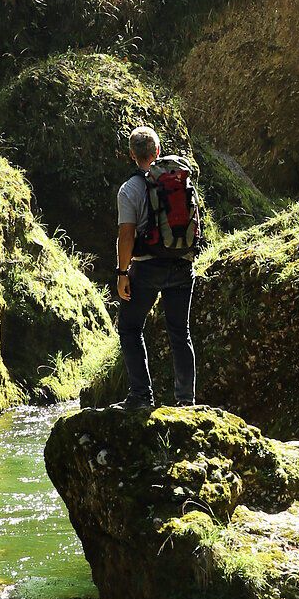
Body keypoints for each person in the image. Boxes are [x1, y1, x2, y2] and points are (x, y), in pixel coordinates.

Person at [114, 125, 199, 410]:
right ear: (158, 151)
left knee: (129, 327)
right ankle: (186, 401)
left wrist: (122, 273)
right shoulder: (180, 180)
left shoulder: (130, 189)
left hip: (148, 269)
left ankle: (141, 397)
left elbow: (126, 235)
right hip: (182, 265)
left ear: (131, 154)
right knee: (180, 331)